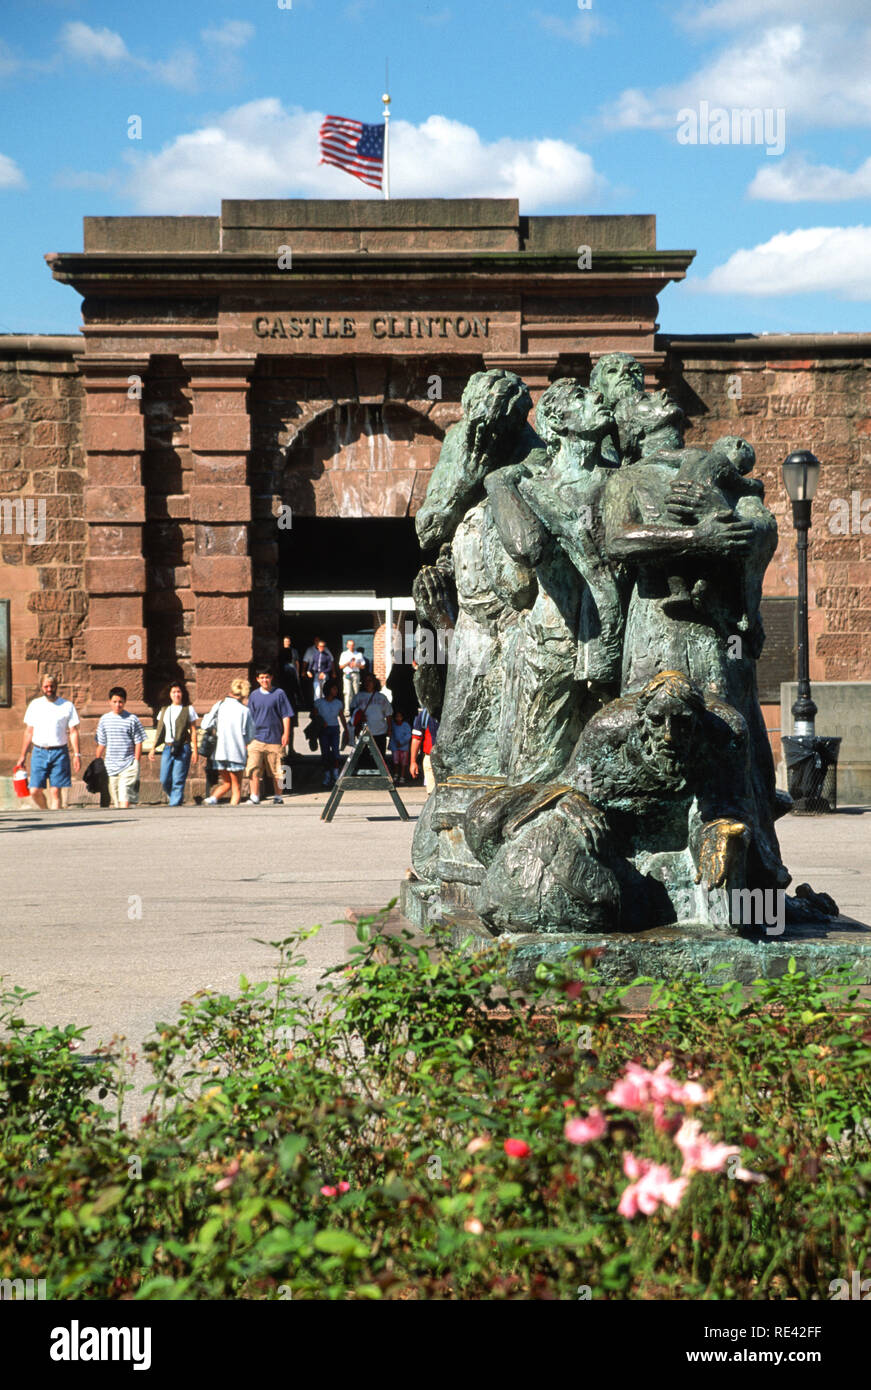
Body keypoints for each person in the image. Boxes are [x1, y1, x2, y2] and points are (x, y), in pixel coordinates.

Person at [18, 672, 82, 810]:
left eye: (51, 686)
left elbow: (73, 731)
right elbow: (29, 732)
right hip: (39, 751)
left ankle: (55, 821)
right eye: (46, 686)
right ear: (41, 687)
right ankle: (46, 812)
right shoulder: (35, 705)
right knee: (35, 791)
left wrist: (77, 755)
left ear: (56, 686)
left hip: (59, 752)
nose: (49, 689)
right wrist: (22, 756)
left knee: (55, 791)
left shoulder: (67, 705)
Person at [202, 678, 256, 806]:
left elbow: (205, 724)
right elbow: (250, 735)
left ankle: (212, 799)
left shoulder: (219, 705)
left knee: (227, 782)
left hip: (219, 752)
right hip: (236, 752)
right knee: (236, 786)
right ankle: (233, 812)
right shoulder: (245, 711)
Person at [246, 667, 293, 804]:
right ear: (257, 680)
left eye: (266, 677)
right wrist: (247, 738)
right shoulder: (254, 695)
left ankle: (278, 796)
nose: (264, 680)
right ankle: (254, 796)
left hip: (275, 738)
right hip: (256, 738)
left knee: (279, 770)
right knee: (253, 768)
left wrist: (286, 733)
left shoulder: (279, 694)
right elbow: (250, 718)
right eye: (261, 678)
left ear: (271, 678)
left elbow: (286, 715)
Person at [149, 682, 199, 807]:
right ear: (170, 694)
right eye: (174, 692)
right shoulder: (164, 710)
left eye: (179, 692)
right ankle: (176, 798)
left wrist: (195, 751)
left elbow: (193, 731)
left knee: (178, 779)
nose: (176, 694)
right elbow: (160, 731)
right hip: (168, 747)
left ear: (182, 694)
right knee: (164, 779)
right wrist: (153, 748)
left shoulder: (188, 709)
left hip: (183, 747)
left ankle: (174, 805)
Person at [95, 687, 145, 809]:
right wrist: (97, 761)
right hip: (110, 766)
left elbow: (138, 742)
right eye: (115, 701)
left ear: (125, 702)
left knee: (125, 797)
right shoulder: (104, 720)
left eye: (121, 702)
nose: (118, 705)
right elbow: (102, 743)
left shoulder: (132, 719)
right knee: (116, 800)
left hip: (128, 764)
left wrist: (136, 762)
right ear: (110, 702)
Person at [350, 673, 393, 767]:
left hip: (380, 731)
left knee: (379, 756)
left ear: (374, 683)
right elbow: (352, 712)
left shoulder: (381, 697)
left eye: (370, 681)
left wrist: (389, 729)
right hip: (364, 731)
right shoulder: (358, 697)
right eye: (366, 681)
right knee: (364, 756)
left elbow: (389, 714)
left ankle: (379, 776)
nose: (368, 683)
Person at [314, 678, 348, 786]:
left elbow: (342, 717)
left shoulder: (338, 703)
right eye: (334, 689)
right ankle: (327, 775)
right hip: (323, 730)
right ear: (328, 690)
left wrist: (346, 729)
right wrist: (320, 721)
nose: (336, 691)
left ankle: (336, 774)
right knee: (325, 753)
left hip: (334, 729)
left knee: (335, 752)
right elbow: (313, 715)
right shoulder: (319, 703)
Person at [279, 636, 302, 753]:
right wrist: (300, 697)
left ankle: (282, 749)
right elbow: (296, 686)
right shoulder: (291, 669)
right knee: (291, 725)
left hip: (280, 698)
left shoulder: (277, 668)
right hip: (290, 699)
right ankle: (291, 749)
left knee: (280, 725)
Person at [410, 707, 439, 793]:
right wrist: (413, 762)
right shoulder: (425, 714)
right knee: (432, 794)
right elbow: (416, 738)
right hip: (430, 759)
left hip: (451, 760)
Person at [338, 638, 365, 716]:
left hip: (356, 673)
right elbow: (340, 666)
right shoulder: (344, 654)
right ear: (347, 645)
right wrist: (348, 663)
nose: (351, 646)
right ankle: (347, 710)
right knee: (347, 692)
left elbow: (363, 666)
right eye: (349, 645)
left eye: (352, 645)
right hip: (347, 673)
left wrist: (356, 665)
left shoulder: (359, 654)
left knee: (356, 692)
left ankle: (357, 709)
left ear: (354, 645)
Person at [390, 710, 412, 784]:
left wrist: (402, 742)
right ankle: (396, 775)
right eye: (397, 716)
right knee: (396, 762)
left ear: (402, 717)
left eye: (400, 716)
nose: (398, 718)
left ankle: (402, 776)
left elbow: (408, 735)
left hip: (404, 747)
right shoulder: (393, 725)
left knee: (403, 763)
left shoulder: (406, 725)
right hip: (395, 747)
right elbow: (391, 735)